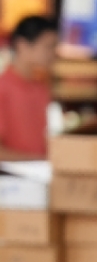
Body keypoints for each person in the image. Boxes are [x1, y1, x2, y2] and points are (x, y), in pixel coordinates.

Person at [0, 15, 57, 160]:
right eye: (48, 46)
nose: (53, 53)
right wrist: (38, 161)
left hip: (38, 173)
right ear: (22, 45)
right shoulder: (3, 88)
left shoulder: (41, 89)